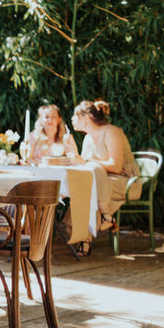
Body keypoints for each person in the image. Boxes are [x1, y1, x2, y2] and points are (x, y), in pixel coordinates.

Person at [64, 99, 140, 231]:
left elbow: (115, 167)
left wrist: (85, 162)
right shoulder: (88, 138)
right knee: (86, 187)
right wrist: (73, 150)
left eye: (75, 115)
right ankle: (103, 218)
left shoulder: (111, 132)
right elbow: (86, 168)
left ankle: (85, 238)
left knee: (88, 188)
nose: (71, 118)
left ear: (86, 117)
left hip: (126, 183)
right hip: (101, 182)